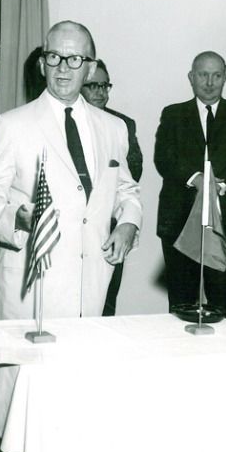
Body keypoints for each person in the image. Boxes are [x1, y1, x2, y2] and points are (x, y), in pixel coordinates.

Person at [0, 21, 142, 319]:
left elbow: (125, 190)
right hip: (30, 288)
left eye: (74, 59)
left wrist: (129, 223)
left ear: (90, 69)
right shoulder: (10, 126)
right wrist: (17, 219)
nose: (62, 68)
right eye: (54, 57)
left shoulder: (114, 128)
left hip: (92, 285)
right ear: (42, 64)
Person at [154, 51, 226, 318]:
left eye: (216, 75)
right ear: (191, 77)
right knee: (180, 303)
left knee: (222, 303)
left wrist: (220, 186)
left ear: (225, 78)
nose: (210, 82)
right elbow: (164, 158)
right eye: (203, 75)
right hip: (179, 223)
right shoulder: (173, 114)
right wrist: (197, 180)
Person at [80, 58, 143, 315]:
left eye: (105, 86)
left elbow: (133, 172)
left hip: (111, 228)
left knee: (105, 303)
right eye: (93, 86)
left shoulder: (121, 124)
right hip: (73, 229)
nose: (101, 92)